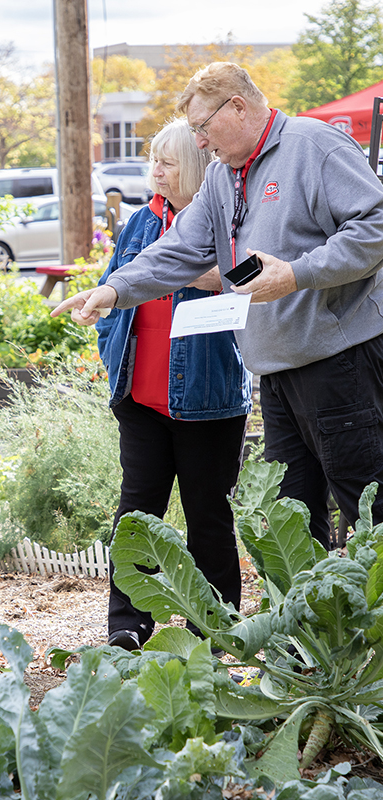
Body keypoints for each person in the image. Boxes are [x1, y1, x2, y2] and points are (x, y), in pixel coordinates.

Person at [52, 62, 383, 553]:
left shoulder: (313, 145)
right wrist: (114, 290)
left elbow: (374, 227)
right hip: (275, 372)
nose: (200, 142)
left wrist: (296, 274)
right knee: (294, 521)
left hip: (339, 364)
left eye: (203, 128)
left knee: (368, 510)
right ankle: (321, 631)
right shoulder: (224, 176)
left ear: (238, 107)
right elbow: (180, 249)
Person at [94, 118, 251, 652]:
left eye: (168, 161)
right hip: (141, 400)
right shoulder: (140, 222)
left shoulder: (230, 223)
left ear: (199, 166)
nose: (155, 171)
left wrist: (185, 271)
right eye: (152, 160)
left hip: (209, 403)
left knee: (209, 516)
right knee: (137, 514)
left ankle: (213, 629)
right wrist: (112, 352)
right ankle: (127, 625)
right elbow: (109, 294)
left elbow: (252, 285)